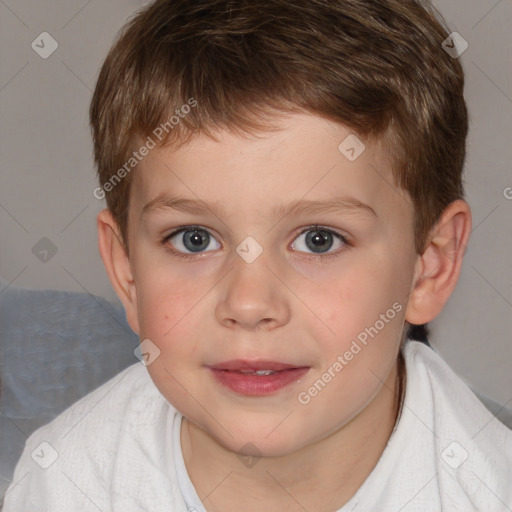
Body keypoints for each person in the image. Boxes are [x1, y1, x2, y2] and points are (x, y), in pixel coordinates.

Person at [4, 0, 512, 510]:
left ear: (430, 266)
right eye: (194, 239)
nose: (248, 304)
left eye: (319, 239)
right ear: (127, 273)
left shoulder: (488, 487)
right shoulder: (67, 483)